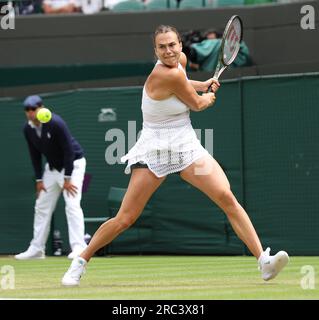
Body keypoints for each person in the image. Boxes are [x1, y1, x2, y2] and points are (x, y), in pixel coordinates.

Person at [61, 25, 289, 286]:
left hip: (185, 146)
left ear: (180, 45)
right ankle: (80, 260)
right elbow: (198, 104)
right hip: (155, 150)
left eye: (172, 45)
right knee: (125, 218)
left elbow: (182, 82)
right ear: (155, 50)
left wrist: (201, 83)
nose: (168, 51)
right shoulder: (163, 74)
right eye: (162, 47)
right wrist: (208, 95)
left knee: (226, 197)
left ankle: (263, 261)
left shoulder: (179, 64)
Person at [15, 95, 87, 260]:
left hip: (73, 165)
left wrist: (67, 178)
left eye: (33, 109)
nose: (30, 113)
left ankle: (79, 247)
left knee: (72, 205)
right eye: (27, 110)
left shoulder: (56, 123)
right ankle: (37, 249)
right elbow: (35, 155)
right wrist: (39, 180)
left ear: (41, 108)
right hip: (52, 169)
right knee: (41, 206)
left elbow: (69, 150)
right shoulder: (28, 129)